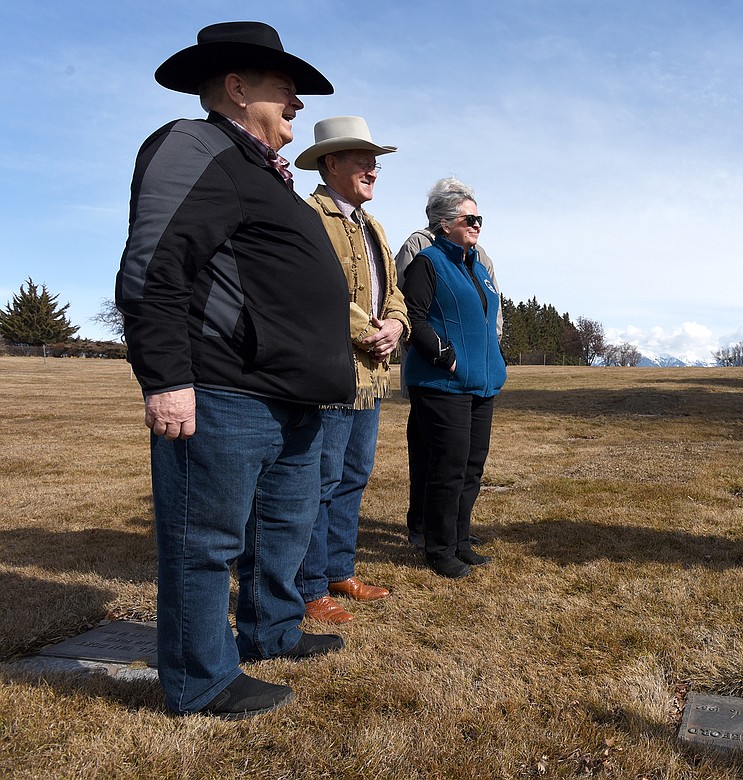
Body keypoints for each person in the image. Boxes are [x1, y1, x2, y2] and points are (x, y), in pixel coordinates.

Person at [115, 22, 353, 720]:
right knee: (204, 543)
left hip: (290, 395)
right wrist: (165, 380)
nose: (298, 104)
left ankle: (271, 634)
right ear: (236, 86)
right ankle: (200, 681)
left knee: (284, 528)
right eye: (286, 88)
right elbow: (154, 267)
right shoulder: (193, 145)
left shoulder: (261, 171)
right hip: (225, 388)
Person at [287, 117, 409, 623]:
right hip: (333, 373)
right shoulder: (309, 216)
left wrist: (397, 325)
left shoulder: (373, 226)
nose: (373, 169)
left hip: (372, 378)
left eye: (375, 160)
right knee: (321, 479)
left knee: (354, 475)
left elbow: (394, 291)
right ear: (330, 163)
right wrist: (368, 332)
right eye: (363, 159)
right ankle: (310, 586)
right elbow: (316, 292)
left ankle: (340, 570)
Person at [400, 179, 507, 578]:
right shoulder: (428, 263)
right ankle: (439, 548)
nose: (478, 224)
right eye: (470, 218)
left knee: (471, 467)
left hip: (481, 384)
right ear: (445, 223)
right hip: (442, 384)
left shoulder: (477, 267)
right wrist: (445, 357)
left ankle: (461, 540)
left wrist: (494, 362)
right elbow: (413, 316)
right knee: (446, 467)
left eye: (480, 218)